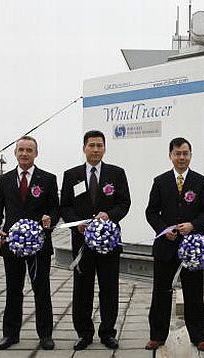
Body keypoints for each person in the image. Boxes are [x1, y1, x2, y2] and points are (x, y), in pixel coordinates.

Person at [60, 130, 131, 351]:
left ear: (104, 148)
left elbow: (124, 203)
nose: (96, 149)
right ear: (84, 148)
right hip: (82, 243)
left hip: (109, 243)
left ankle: (108, 333)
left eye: (99, 145)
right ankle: (84, 333)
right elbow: (65, 207)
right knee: (82, 290)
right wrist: (77, 224)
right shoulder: (71, 175)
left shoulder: (116, 173)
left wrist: (109, 216)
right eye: (91, 145)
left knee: (109, 289)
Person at [0, 136, 59, 351]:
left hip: (39, 246)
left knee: (42, 291)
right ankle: (10, 335)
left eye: (29, 150)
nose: (25, 153)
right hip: (12, 246)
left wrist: (50, 220)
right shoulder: (4, 180)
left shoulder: (47, 179)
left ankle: (45, 335)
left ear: (36, 153)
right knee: (13, 291)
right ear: (15, 153)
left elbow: (55, 209)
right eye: (21, 150)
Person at [144, 137, 204, 352]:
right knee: (161, 293)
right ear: (170, 155)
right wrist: (165, 230)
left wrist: (193, 225)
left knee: (194, 294)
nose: (181, 157)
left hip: (192, 249)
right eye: (177, 153)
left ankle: (199, 336)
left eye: (185, 153)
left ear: (190, 155)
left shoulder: (200, 182)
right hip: (166, 247)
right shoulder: (160, 181)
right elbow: (151, 212)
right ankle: (157, 336)